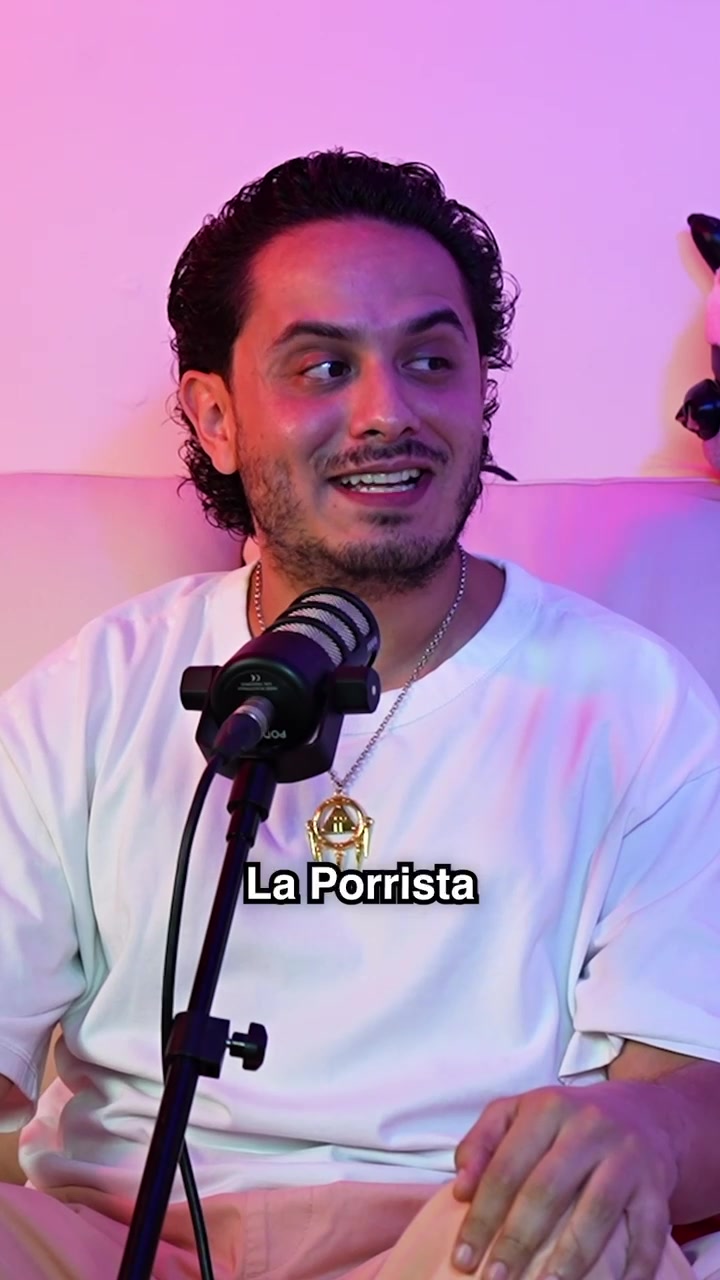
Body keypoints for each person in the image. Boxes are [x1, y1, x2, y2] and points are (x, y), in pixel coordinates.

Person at [1, 149, 720, 1280]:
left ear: (478, 395)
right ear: (216, 416)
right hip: (120, 1236)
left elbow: (692, 1087)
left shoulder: (633, 702)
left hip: (466, 1239)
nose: (389, 412)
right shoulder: (98, 686)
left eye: (432, 361)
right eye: (324, 366)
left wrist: (648, 1135)